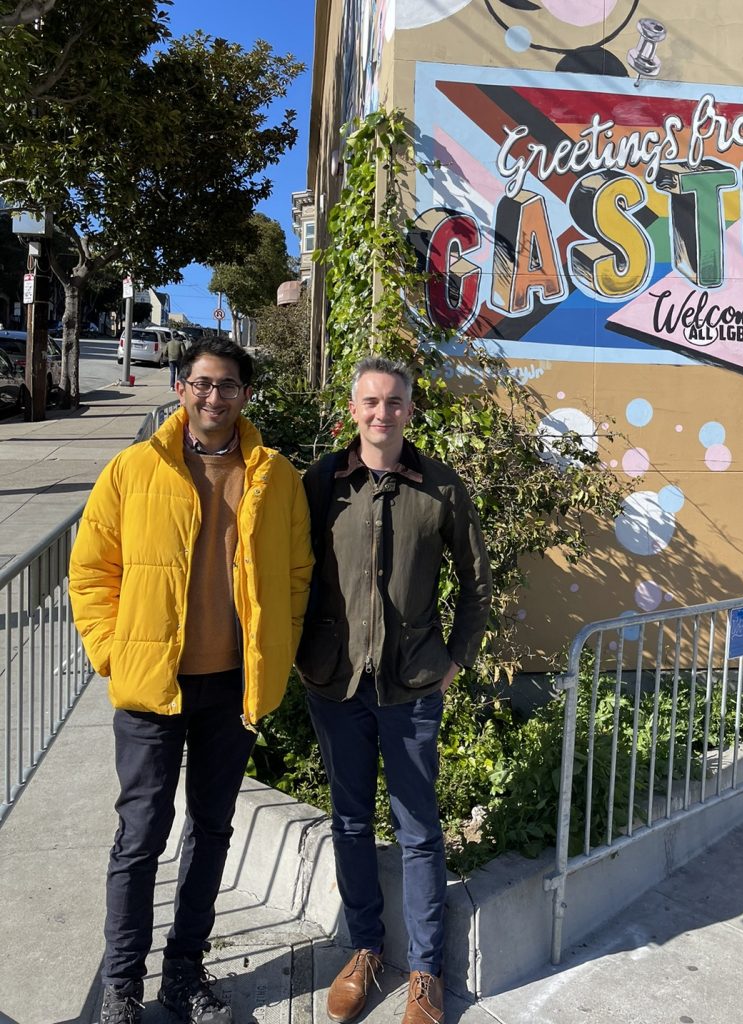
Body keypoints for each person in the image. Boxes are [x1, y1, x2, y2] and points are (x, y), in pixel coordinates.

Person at [69, 337, 313, 1024]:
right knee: (140, 834)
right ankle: (122, 986)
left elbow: (296, 574)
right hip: (152, 686)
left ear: (245, 395)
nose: (214, 397)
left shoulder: (275, 476)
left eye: (228, 385)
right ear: (180, 388)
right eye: (203, 383)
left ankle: (184, 974)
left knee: (211, 829)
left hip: (231, 688)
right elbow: (91, 572)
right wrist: (112, 652)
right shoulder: (133, 469)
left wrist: (276, 647)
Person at [298, 355, 492, 1024]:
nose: (382, 413)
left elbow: (476, 582)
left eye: (395, 402)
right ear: (352, 410)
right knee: (349, 821)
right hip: (336, 683)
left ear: (410, 409)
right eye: (371, 402)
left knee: (417, 831)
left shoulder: (440, 487)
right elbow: (291, 572)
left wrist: (457, 658)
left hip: (411, 685)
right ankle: (365, 949)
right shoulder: (322, 482)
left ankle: (426, 972)